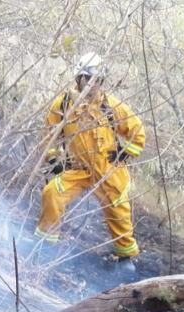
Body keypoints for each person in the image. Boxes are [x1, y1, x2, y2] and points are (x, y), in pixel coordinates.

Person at [33, 52, 146, 273]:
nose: (92, 85)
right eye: (88, 79)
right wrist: (54, 158)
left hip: (108, 169)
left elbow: (137, 130)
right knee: (52, 193)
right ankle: (45, 247)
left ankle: (125, 259)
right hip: (78, 169)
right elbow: (49, 134)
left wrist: (125, 152)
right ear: (79, 78)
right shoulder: (64, 104)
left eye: (97, 80)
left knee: (118, 210)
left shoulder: (111, 106)